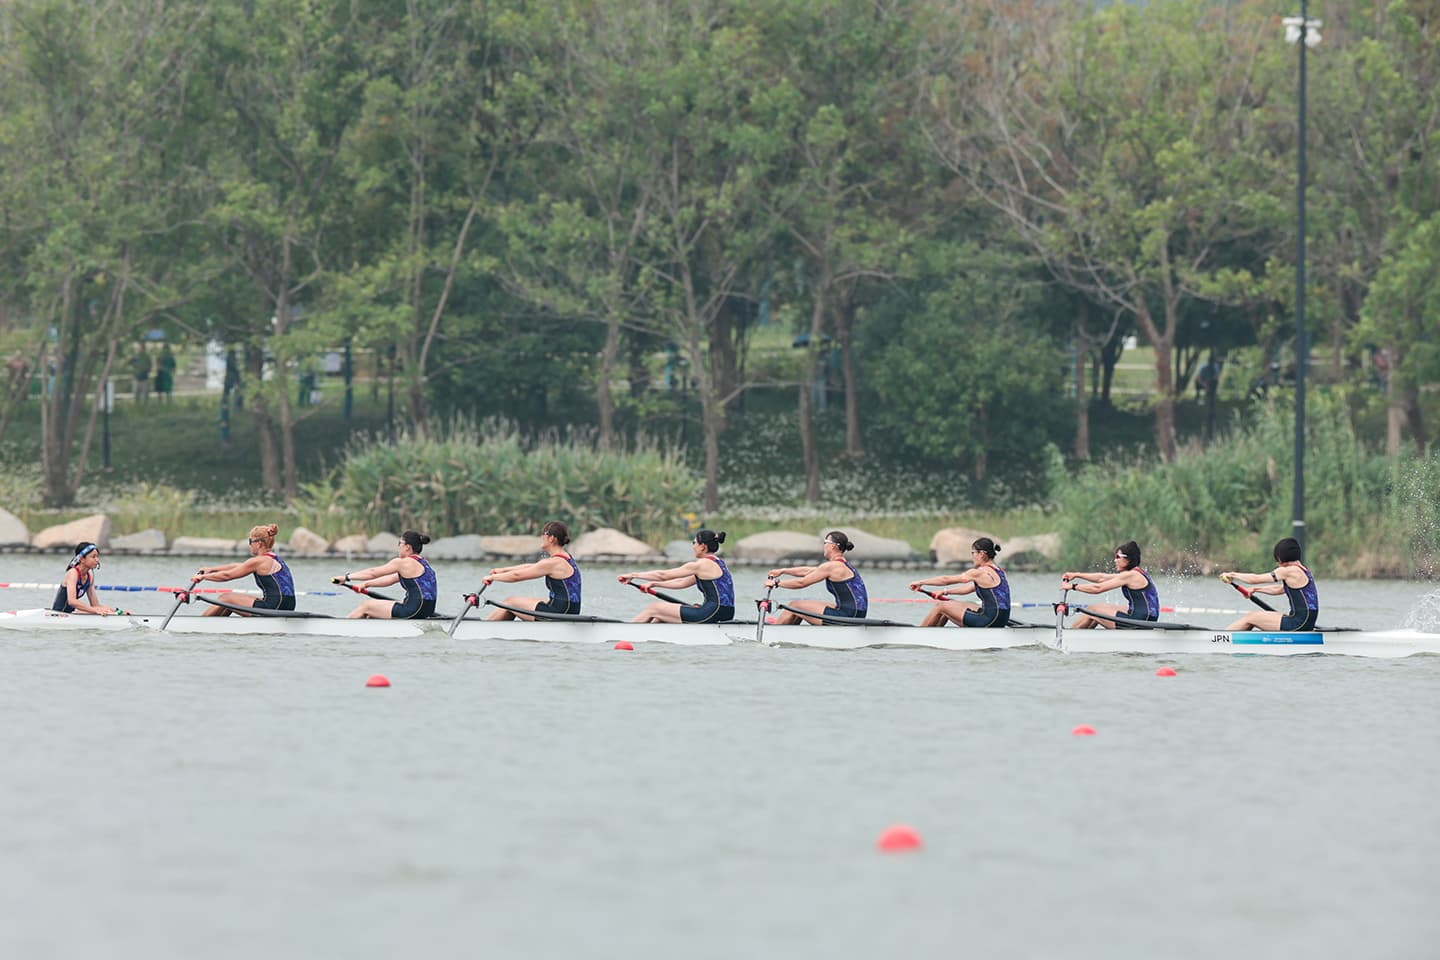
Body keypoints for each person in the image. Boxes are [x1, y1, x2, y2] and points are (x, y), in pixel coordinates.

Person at [617, 529, 734, 623]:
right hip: (727, 613)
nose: (693, 546)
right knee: (659, 616)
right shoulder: (719, 563)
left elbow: (663, 575)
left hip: (711, 612)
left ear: (702, 546)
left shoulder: (701, 565)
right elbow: (682, 582)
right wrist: (655, 584)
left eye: (694, 543)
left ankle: (624, 633)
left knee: (653, 608)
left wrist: (633, 575)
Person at [191, 524, 296, 616]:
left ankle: (199, 624)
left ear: (259, 543)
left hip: (274, 606)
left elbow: (227, 576)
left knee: (225, 598)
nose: (249, 545)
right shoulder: (273, 558)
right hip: (288, 605)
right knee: (232, 603)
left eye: (250, 541)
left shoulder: (259, 561)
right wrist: (211, 570)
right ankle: (216, 627)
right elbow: (238, 566)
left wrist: (203, 577)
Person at [765, 531, 868, 625]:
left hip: (848, 616)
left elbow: (802, 583)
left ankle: (774, 632)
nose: (824, 546)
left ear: (833, 546)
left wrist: (776, 583)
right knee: (802, 607)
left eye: (825, 542)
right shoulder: (841, 564)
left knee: (794, 605)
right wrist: (783, 571)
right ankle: (788, 631)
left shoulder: (832, 566)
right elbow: (808, 571)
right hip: (857, 614)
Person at [485, 521, 582, 620]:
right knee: (528, 601)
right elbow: (531, 567)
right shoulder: (565, 557)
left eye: (543, 534)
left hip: (560, 613)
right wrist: (502, 570)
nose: (541, 537)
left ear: (551, 538)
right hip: (569, 610)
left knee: (509, 602)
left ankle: (484, 630)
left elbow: (517, 576)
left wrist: (493, 577)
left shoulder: (553, 563)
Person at [908, 537, 1010, 628]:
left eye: (973, 553)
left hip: (990, 620)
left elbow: (945, 580)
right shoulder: (1001, 572)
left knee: (941, 606)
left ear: (982, 554)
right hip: (1002, 619)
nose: (972, 556)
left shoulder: (979, 572)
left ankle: (921, 633)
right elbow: (969, 588)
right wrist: (945, 592)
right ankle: (936, 634)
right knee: (955, 604)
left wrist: (921, 582)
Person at [1221, 537, 1319, 632]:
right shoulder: (1304, 570)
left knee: (1251, 617)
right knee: (1257, 616)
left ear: (1281, 558)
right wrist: (1255, 589)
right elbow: (1280, 589)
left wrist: (1232, 574)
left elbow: (1255, 579)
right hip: (1306, 621)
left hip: (1299, 623)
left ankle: (1219, 638)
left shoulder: (1288, 571)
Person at [335, 530, 437, 619]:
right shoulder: (423, 563)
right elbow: (391, 579)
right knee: (374, 613)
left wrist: (346, 577)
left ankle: (341, 626)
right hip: (427, 610)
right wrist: (366, 584)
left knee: (366, 606)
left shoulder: (402, 562)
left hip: (413, 610)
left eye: (399, 543)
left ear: (407, 547)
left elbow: (373, 572)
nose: (398, 546)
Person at [1059, 540, 1159, 629]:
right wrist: (1077, 575)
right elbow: (1101, 578)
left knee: (1092, 610)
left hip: (1140, 621)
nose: (1115, 560)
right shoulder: (1136, 573)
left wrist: (1072, 586)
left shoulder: (1131, 575)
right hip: (1147, 619)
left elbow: (1098, 588)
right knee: (1104, 608)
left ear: (1128, 559)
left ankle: (1069, 636)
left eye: (1118, 557)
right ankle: (1084, 637)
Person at [51, 542, 120, 615]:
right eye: (93, 557)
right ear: (82, 559)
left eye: (97, 556)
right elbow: (72, 601)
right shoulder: (73, 573)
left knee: (109, 611)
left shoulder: (90, 577)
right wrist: (95, 611)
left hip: (71, 613)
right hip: (58, 614)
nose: (97, 560)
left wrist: (115, 611)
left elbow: (95, 605)